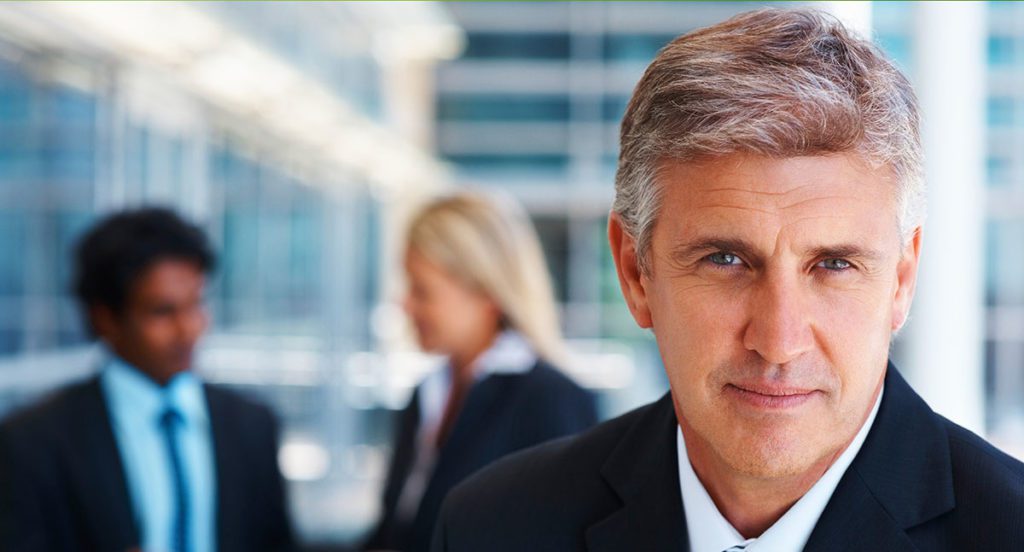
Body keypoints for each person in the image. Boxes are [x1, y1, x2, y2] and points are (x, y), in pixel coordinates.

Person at [430, 9, 1024, 552]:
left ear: (900, 280)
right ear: (636, 272)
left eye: (834, 265)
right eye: (726, 260)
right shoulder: (493, 526)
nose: (779, 340)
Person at [0, 207, 294, 552]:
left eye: (195, 305)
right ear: (105, 318)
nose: (189, 330)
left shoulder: (251, 426)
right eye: (162, 312)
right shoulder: (35, 442)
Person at [363, 192, 598, 552]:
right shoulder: (425, 394)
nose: (405, 304)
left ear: (487, 292)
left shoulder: (551, 401)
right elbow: (397, 530)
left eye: (422, 290)